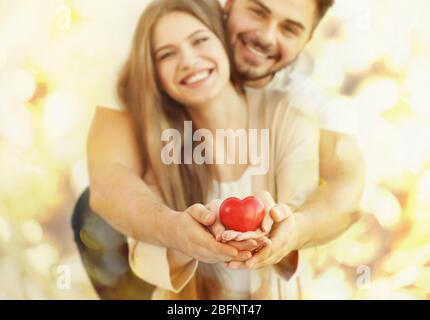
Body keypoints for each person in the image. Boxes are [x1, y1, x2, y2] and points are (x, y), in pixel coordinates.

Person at [78, 0, 364, 299]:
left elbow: (338, 197)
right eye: (257, 11)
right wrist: (185, 235)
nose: (188, 60)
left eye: (200, 40)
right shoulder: (155, 143)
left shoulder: (295, 109)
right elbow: (117, 199)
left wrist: (286, 230)